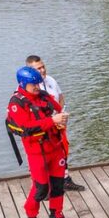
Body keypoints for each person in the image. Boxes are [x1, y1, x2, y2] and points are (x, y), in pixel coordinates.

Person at [6, 65, 70, 218]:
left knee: (58, 184)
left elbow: (58, 107)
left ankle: (57, 213)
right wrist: (52, 121)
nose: (37, 87)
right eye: (33, 84)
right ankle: (31, 213)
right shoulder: (17, 102)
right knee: (41, 187)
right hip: (37, 151)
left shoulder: (43, 95)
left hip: (55, 147)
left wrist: (62, 119)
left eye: (38, 83)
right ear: (23, 83)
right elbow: (26, 127)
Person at [26, 55, 83, 191]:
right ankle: (40, 186)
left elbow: (61, 98)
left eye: (43, 66)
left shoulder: (50, 80)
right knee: (40, 159)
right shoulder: (28, 87)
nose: (42, 70)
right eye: (38, 68)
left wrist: (61, 115)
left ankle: (65, 179)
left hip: (58, 124)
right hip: (42, 129)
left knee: (63, 151)